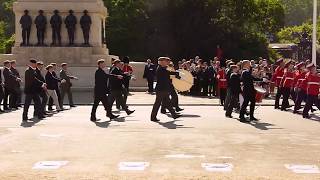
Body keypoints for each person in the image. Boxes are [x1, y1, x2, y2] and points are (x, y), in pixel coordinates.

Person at [150, 57, 182, 122]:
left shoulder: (163, 68)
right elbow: (167, 74)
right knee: (158, 103)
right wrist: (176, 74)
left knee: (168, 102)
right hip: (161, 89)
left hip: (163, 88)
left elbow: (168, 73)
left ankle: (174, 115)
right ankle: (153, 117)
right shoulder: (160, 69)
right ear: (161, 62)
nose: (166, 62)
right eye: (165, 61)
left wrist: (175, 74)